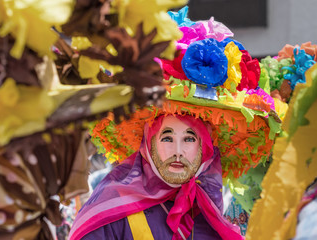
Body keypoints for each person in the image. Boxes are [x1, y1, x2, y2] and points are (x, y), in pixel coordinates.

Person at [69, 7, 283, 240]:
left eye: (190, 138)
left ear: (207, 147)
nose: (178, 152)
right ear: (146, 144)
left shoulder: (209, 213)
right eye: (167, 137)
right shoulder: (106, 213)